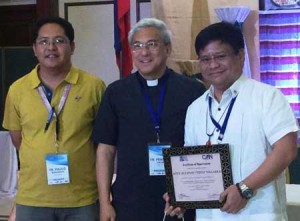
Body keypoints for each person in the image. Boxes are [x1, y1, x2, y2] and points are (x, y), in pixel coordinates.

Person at [165, 21, 299, 221]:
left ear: (240, 56)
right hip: (210, 216)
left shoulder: (267, 97)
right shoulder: (196, 108)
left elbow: (286, 150)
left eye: (220, 56)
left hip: (258, 214)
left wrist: (244, 189)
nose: (213, 65)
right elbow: (191, 162)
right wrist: (182, 197)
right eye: (205, 59)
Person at [92, 18, 206, 221]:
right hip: (130, 200)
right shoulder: (116, 92)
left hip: (179, 200)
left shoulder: (193, 90)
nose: (144, 52)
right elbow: (105, 150)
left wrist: (192, 195)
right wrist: (104, 202)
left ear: (167, 49)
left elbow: (203, 146)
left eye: (152, 44)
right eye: (137, 46)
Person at [2, 16, 106, 221]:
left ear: (72, 46)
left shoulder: (94, 86)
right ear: (34, 48)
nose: (51, 47)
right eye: (43, 41)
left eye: (59, 41)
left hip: (82, 198)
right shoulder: (18, 89)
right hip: (33, 197)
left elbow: (102, 142)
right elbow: (18, 139)